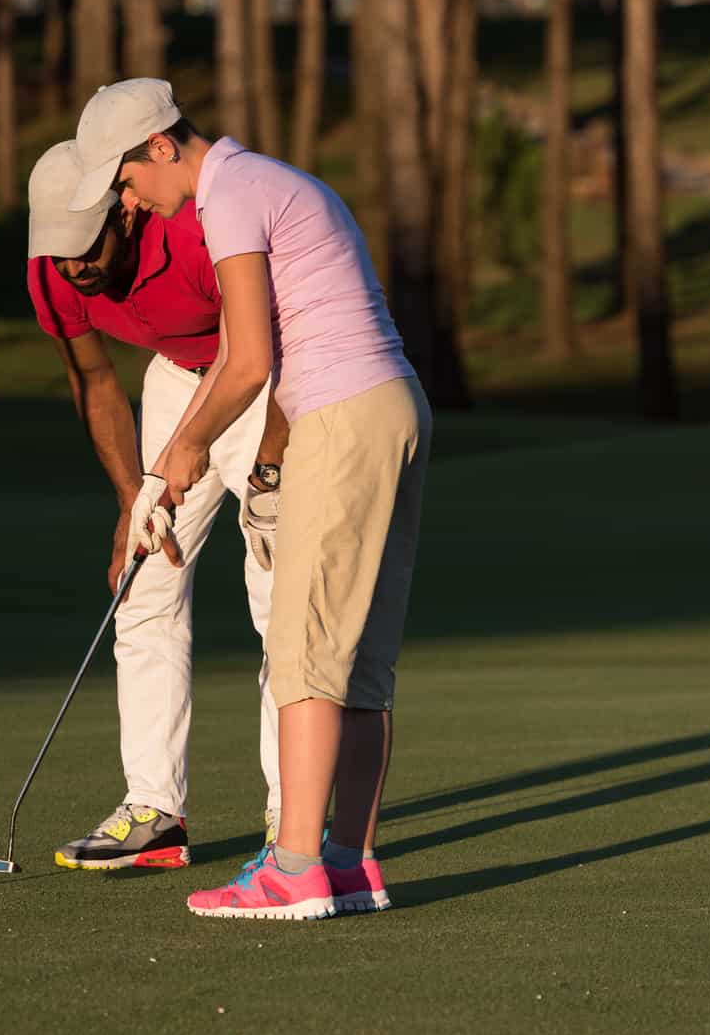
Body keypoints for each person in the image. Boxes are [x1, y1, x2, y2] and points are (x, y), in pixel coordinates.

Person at [67, 79, 431, 919]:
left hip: (339, 416)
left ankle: (296, 867)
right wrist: (166, 468)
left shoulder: (226, 196)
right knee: (365, 665)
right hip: (396, 405)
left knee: (305, 657)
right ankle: (350, 861)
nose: (130, 204)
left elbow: (249, 361)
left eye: (125, 183)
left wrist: (189, 448)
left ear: (161, 145)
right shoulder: (271, 180)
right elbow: (239, 340)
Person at [24, 139, 290, 871]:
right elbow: (95, 380)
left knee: (279, 594)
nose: (77, 265)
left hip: (263, 380)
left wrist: (266, 468)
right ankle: (155, 810)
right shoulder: (52, 271)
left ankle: (287, 817)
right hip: (177, 379)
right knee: (143, 585)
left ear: (127, 209)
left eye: (87, 244)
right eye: (60, 250)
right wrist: (128, 499)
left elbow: (282, 340)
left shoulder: (196, 229)